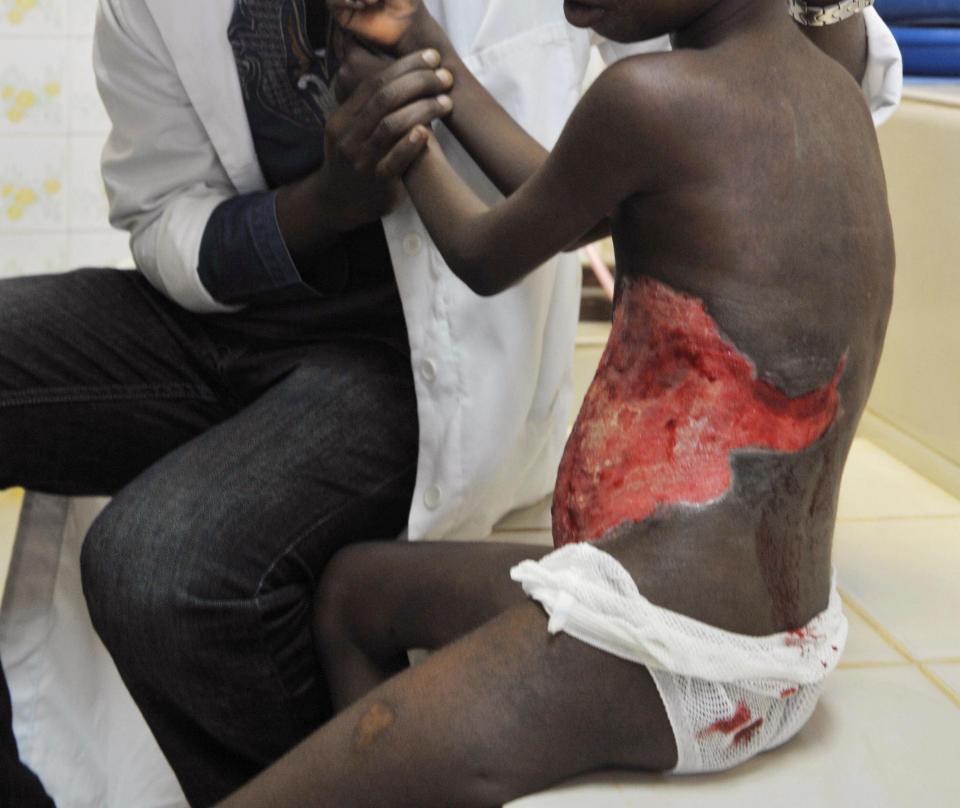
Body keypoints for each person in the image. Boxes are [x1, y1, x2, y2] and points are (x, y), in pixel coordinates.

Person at [0, 1, 899, 806]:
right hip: (707, 609)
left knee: (229, 687)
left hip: (665, 636)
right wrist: (393, 116)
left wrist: (400, 136)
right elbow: (575, 194)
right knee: (354, 597)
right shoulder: (773, 96)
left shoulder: (653, 95)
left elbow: (486, 250)